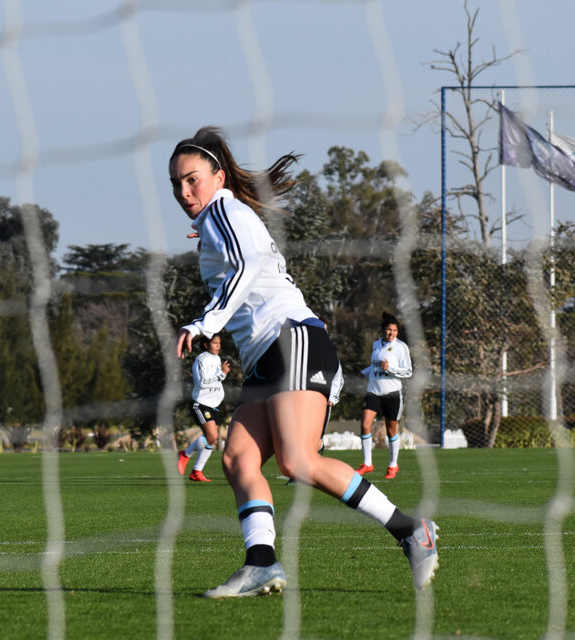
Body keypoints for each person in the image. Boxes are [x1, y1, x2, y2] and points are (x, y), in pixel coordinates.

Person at [170, 126, 438, 598]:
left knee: (297, 461)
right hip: (266, 356)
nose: (184, 191)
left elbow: (249, 267)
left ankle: (411, 530)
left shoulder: (222, 210)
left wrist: (204, 322)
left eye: (192, 179)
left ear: (217, 176)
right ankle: (261, 563)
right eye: (176, 184)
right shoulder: (222, 216)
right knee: (237, 458)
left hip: (292, 339)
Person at [356, 312, 412, 480]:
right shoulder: (376, 345)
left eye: (394, 330)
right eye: (389, 330)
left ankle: (392, 466)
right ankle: (367, 464)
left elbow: (408, 371)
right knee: (365, 425)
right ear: (382, 330)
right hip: (373, 391)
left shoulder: (401, 347)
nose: (391, 333)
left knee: (391, 431)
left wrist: (390, 369)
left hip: (392, 394)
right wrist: (364, 372)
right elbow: (375, 366)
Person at [178, 334, 231, 482]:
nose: (218, 346)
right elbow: (202, 382)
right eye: (215, 343)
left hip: (213, 405)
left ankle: (196, 472)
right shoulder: (202, 359)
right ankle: (185, 455)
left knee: (212, 441)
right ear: (206, 345)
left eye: (219, 343)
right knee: (212, 437)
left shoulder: (217, 358)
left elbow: (216, 380)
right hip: (201, 404)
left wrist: (222, 374)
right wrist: (222, 374)